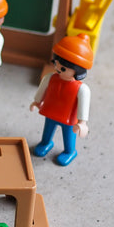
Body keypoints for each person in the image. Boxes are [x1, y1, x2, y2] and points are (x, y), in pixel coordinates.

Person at [30, 33, 93, 166]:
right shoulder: (50, 78)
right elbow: (42, 90)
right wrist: (37, 101)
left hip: (68, 118)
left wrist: (82, 123)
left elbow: (83, 106)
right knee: (47, 131)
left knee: (68, 136)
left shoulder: (82, 89)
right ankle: (46, 143)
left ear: (78, 71)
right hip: (51, 112)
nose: (58, 69)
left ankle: (70, 151)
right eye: (56, 64)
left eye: (63, 68)